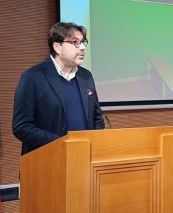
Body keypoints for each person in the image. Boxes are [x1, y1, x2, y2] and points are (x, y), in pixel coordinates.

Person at [13, 22, 105, 154]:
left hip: (84, 157)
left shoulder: (86, 76)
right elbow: (21, 127)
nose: (83, 48)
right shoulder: (33, 77)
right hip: (48, 161)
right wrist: (62, 143)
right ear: (57, 47)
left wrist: (93, 142)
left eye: (83, 42)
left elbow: (97, 118)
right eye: (75, 42)